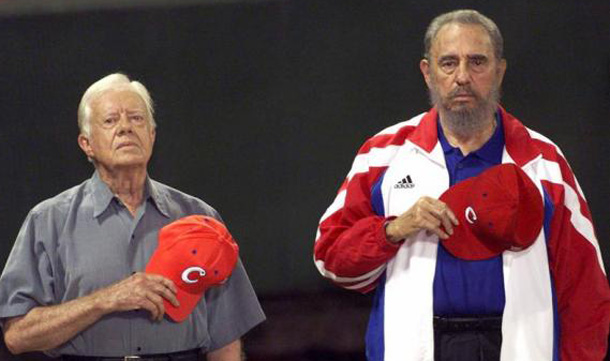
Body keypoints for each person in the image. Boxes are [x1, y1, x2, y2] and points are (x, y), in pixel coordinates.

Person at [313, 9, 610, 361]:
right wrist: (392, 230)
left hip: (519, 347)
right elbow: (330, 257)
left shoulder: (543, 163)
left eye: (478, 62)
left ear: (500, 70)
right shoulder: (383, 156)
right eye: (449, 63)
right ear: (428, 73)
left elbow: (586, 291)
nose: (463, 77)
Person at [0, 73, 265, 360]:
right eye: (111, 120)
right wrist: (105, 300)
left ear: (152, 136)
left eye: (137, 118)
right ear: (86, 143)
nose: (126, 127)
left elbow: (225, 339)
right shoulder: (48, 221)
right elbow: (17, 335)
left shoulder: (200, 217)